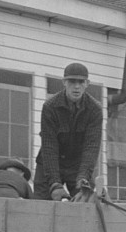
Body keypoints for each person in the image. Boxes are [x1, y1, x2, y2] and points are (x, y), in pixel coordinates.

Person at [33, 62, 103, 201]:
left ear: (87, 84)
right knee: (40, 207)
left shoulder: (95, 109)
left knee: (85, 203)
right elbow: (49, 145)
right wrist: (55, 183)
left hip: (77, 165)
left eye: (81, 82)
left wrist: (83, 177)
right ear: (64, 82)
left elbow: (91, 147)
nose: (76, 86)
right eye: (72, 81)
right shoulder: (50, 107)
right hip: (49, 163)